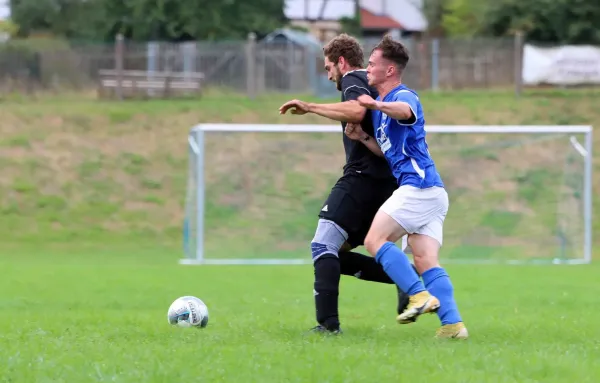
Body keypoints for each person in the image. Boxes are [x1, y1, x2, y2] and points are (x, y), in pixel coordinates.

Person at [279, 34, 412, 334]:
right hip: (384, 182)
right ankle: (408, 277)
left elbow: (357, 110)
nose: (328, 75)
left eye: (328, 68)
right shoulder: (371, 82)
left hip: (362, 178)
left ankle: (328, 326)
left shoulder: (353, 79)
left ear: (341, 62)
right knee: (334, 255)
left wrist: (310, 107)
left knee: (322, 244)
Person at [344, 35, 468, 339]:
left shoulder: (403, 96)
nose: (368, 69)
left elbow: (405, 111)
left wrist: (376, 104)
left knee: (375, 240)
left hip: (419, 188)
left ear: (389, 70)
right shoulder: (380, 110)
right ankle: (453, 325)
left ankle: (418, 295)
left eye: (372, 64)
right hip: (432, 192)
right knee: (425, 259)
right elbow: (387, 152)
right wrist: (362, 137)